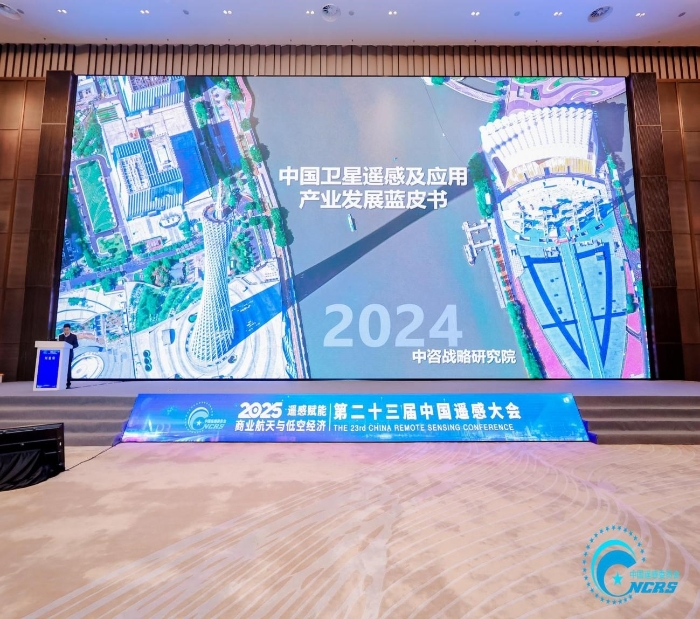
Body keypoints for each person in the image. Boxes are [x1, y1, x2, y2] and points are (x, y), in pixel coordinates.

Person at [58, 323, 78, 388]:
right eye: (65, 330)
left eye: (67, 330)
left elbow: (76, 345)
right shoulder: (61, 336)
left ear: (70, 329)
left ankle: (68, 383)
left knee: (68, 368)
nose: (66, 331)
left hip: (69, 354)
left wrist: (70, 346)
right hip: (62, 355)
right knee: (61, 368)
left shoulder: (73, 336)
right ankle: (61, 382)